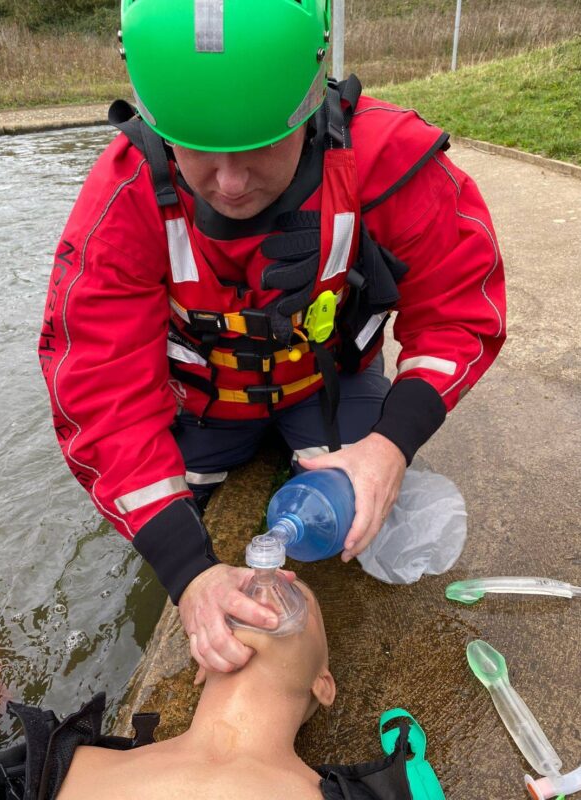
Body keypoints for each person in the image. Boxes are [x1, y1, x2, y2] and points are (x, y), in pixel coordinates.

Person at [37, 1, 506, 674]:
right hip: (204, 405)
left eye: (259, 145)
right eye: (196, 146)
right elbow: (97, 386)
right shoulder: (123, 200)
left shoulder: (386, 157)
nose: (229, 183)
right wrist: (187, 570)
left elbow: (464, 306)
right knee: (169, 513)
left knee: (358, 512)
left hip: (326, 384)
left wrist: (391, 446)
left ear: (311, 104)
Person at [0, 582, 428, 799]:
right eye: (245, 587)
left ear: (323, 685)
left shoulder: (55, 766)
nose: (269, 581)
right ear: (202, 660)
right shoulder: (44, 761)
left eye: (295, 591)